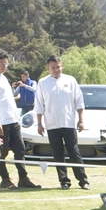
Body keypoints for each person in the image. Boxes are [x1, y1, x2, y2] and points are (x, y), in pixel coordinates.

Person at [0, 48, 40, 190]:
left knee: (20, 149)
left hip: (13, 120)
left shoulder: (3, 77)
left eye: (6, 64)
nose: (5, 66)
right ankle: (5, 179)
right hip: (0, 122)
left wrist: (16, 118)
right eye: (2, 63)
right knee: (2, 152)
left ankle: (23, 177)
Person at [34, 55, 89, 190]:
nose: (56, 70)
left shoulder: (70, 80)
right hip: (52, 123)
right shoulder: (43, 83)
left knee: (74, 152)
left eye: (58, 67)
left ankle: (83, 180)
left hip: (69, 122)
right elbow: (39, 105)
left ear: (62, 66)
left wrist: (81, 120)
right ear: (48, 68)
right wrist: (39, 124)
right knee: (57, 153)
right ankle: (64, 181)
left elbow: (79, 101)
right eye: (53, 67)